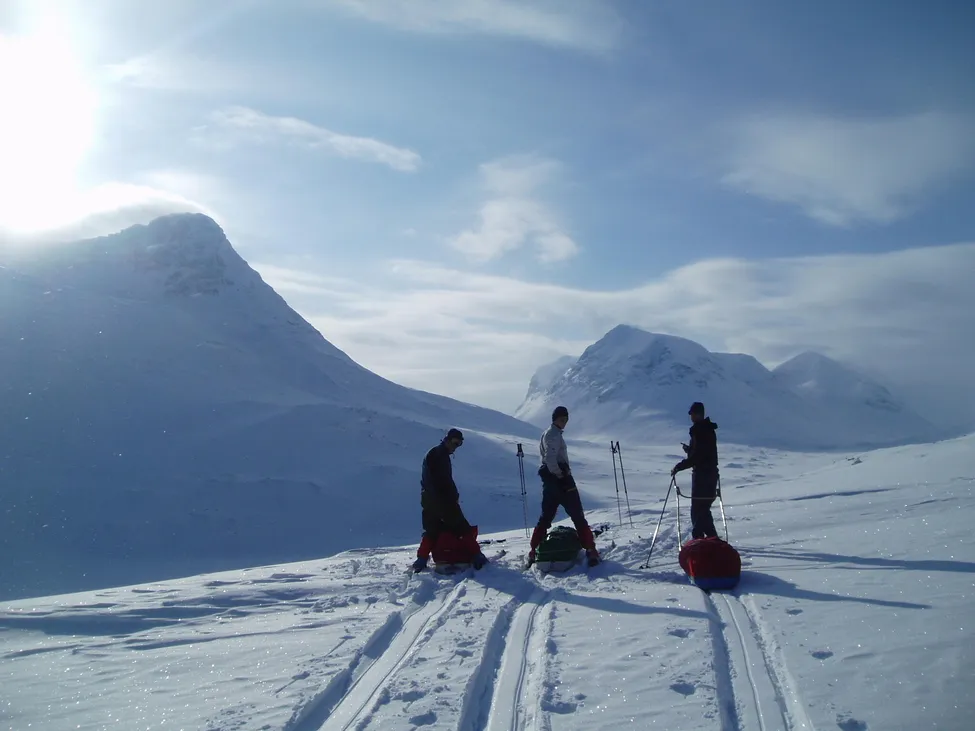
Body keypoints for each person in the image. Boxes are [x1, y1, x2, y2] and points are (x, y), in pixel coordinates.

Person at [527, 406, 600, 567]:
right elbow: (550, 458)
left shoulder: (548, 433)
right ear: (555, 419)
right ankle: (590, 549)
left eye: (566, 419)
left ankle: (534, 549)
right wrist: (561, 475)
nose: (564, 422)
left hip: (549, 482)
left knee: (546, 517)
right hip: (561, 481)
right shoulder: (553, 435)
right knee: (577, 514)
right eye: (562, 419)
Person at [412, 428, 488, 572]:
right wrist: (452, 497)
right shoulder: (439, 455)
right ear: (447, 439)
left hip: (429, 499)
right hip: (442, 500)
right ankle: (477, 556)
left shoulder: (435, 453)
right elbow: (443, 481)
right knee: (462, 527)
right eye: (455, 442)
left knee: (431, 530)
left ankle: (421, 560)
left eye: (459, 444)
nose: (456, 446)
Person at [671, 401, 720, 539]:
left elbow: (698, 457)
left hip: (703, 478)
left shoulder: (700, 431)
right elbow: (702, 453)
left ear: (698, 415)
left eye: (692, 414)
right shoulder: (706, 430)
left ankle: (699, 541)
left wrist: (679, 466)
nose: (691, 417)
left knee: (698, 512)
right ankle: (712, 540)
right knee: (703, 511)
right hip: (709, 477)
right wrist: (690, 450)